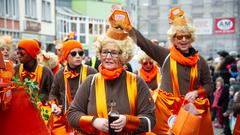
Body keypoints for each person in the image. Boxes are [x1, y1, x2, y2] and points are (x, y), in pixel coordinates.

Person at [109, 8, 213, 134]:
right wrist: (128, 28)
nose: (184, 39)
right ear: (173, 39)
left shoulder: (200, 61)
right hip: (165, 111)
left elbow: (209, 85)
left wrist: (197, 92)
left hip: (188, 111)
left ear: (192, 38)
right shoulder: (165, 55)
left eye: (187, 36)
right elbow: (144, 43)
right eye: (179, 36)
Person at [67, 27, 155, 134]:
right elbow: (72, 115)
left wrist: (128, 121)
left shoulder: (136, 82)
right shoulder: (91, 82)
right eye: (104, 52)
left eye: (114, 53)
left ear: (123, 55)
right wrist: (94, 121)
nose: (108, 57)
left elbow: (151, 120)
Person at [49, 40, 97, 134]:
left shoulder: (91, 72)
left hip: (87, 120)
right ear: (66, 56)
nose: (78, 56)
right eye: (74, 53)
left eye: (80, 53)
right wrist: (54, 105)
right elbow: (53, 93)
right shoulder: (60, 74)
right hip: (66, 121)